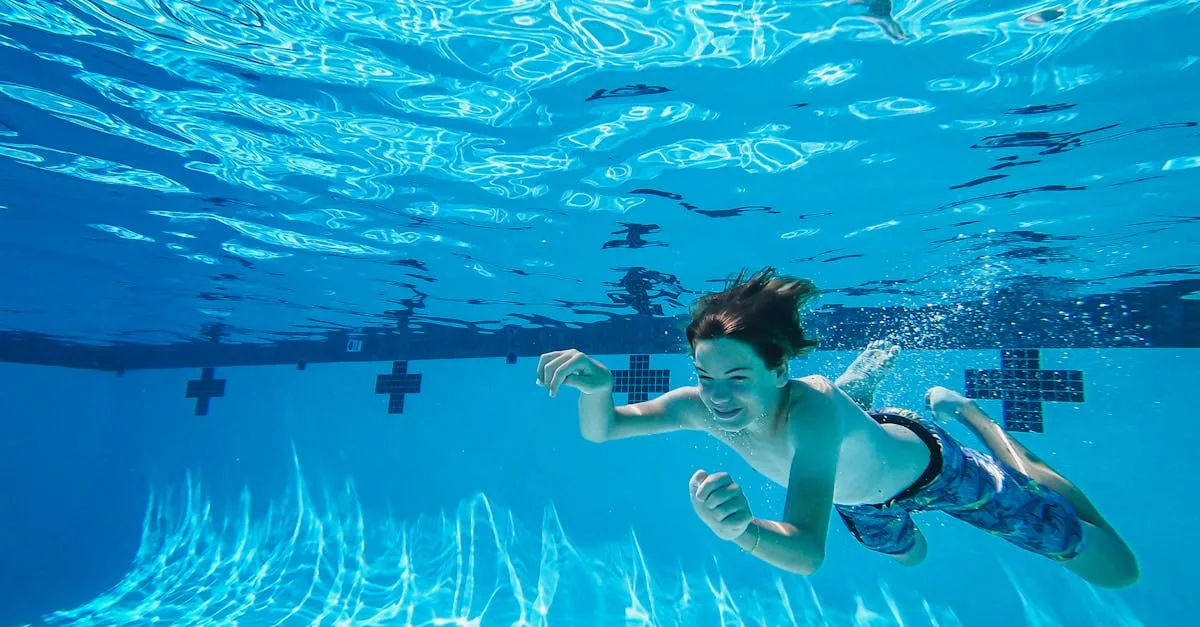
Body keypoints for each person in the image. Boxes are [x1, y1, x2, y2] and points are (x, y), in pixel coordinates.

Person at [535, 267, 1139, 588]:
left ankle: (968, 414)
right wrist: (598, 390)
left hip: (934, 471)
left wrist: (741, 530)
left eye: (738, 378)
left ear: (779, 368)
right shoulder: (700, 404)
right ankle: (859, 391)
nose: (716, 397)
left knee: (1114, 570)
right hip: (857, 494)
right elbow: (603, 430)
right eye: (705, 375)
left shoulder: (810, 414)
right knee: (911, 558)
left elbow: (805, 552)